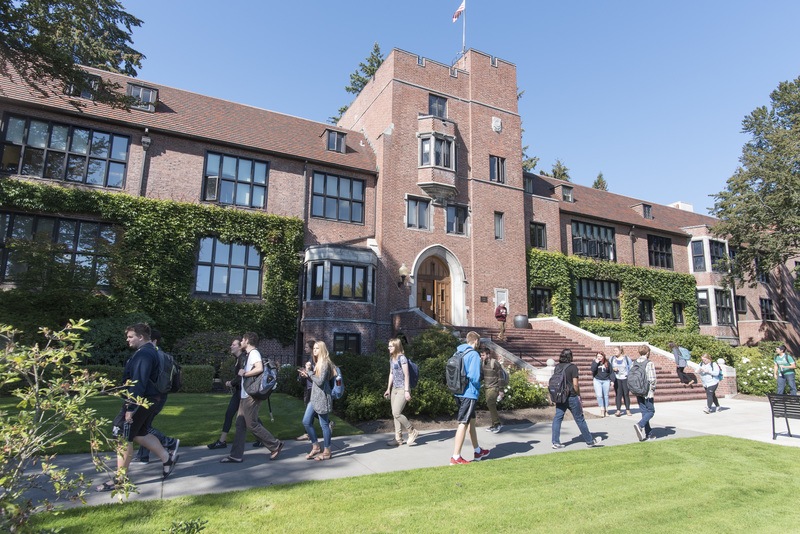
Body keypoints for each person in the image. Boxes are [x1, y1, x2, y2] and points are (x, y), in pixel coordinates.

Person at [96, 323, 178, 491]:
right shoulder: (150, 352)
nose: (127, 340)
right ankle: (166, 458)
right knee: (140, 433)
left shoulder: (144, 354)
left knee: (121, 433)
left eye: (130, 336)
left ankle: (120, 479)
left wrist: (130, 407)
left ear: (141, 337)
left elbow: (138, 382)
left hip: (140, 400)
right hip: (150, 399)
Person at [219, 332, 284, 463]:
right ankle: (236, 455)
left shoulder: (254, 353)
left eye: (242, 340)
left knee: (252, 424)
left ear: (247, 341)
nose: (241, 342)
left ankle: (275, 445)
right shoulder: (249, 354)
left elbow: (259, 368)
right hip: (245, 395)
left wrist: (245, 373)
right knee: (240, 424)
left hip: (251, 396)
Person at [207, 337, 264, 449]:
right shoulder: (239, 359)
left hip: (242, 392)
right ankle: (222, 441)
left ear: (239, 347)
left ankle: (266, 440)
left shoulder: (243, 358)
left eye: (233, 345)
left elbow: (242, 375)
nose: (231, 347)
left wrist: (231, 383)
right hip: (239, 391)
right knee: (234, 415)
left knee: (249, 418)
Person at [132, 328, 179, 464]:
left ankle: (170, 442)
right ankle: (143, 456)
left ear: (153, 340)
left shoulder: (154, 354)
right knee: (143, 425)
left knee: (142, 426)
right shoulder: (161, 354)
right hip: (159, 394)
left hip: (154, 395)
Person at [450, 331, 490, 464]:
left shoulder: (458, 352)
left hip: (458, 392)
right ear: (476, 341)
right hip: (469, 393)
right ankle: (456, 457)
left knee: (471, 421)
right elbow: (474, 376)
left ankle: (477, 451)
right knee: (463, 422)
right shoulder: (473, 354)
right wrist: (478, 387)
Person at [551, 348, 603, 449]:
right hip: (571, 396)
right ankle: (589, 440)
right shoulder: (573, 367)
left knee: (558, 418)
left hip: (560, 395)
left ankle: (555, 442)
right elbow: (575, 384)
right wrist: (578, 394)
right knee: (579, 418)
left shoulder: (557, 367)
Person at [299, 341, 337, 461]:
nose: (314, 350)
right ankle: (315, 446)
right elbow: (316, 379)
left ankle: (327, 451)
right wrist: (308, 372)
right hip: (314, 397)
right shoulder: (317, 363)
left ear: (321, 350)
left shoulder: (325, 363)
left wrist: (309, 372)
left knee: (324, 425)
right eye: (313, 348)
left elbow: (320, 381)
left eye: (316, 348)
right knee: (306, 421)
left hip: (322, 398)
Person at [383, 338, 419, 446]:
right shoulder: (391, 358)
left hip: (403, 389)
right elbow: (391, 374)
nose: (389, 348)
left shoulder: (402, 358)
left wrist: (407, 391)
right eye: (388, 346)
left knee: (396, 412)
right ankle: (398, 438)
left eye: (391, 346)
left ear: (397, 347)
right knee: (395, 414)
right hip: (394, 389)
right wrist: (388, 389)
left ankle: (412, 430)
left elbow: (406, 375)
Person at [633, 345, 657, 442]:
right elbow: (652, 379)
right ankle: (640, 425)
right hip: (647, 391)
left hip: (637, 390)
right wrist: (652, 390)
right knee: (651, 411)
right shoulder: (649, 363)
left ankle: (649, 434)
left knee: (644, 412)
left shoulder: (634, 363)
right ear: (647, 353)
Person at [480, 346, 504, 433]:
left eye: (483, 355)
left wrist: (501, 390)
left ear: (488, 354)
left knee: (490, 404)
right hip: (487, 387)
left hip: (494, 387)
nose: (481, 357)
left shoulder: (495, 363)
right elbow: (482, 375)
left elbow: (500, 377)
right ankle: (494, 425)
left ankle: (497, 424)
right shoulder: (483, 363)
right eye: (481, 355)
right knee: (491, 405)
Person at [610, 347, 632, 417]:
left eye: (616, 350)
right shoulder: (612, 359)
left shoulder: (626, 359)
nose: (615, 352)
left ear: (620, 351)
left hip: (625, 378)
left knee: (626, 394)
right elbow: (609, 369)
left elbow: (631, 368)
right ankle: (618, 410)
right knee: (618, 394)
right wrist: (613, 369)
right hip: (617, 378)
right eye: (614, 350)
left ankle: (628, 409)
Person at [591, 351, 612, 417]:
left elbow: (611, 372)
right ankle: (602, 409)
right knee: (599, 395)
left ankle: (606, 410)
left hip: (606, 380)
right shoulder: (595, 362)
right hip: (597, 380)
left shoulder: (607, 363)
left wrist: (612, 380)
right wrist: (596, 363)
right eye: (598, 357)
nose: (599, 358)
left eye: (600, 356)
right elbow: (592, 369)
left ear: (603, 357)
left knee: (606, 395)